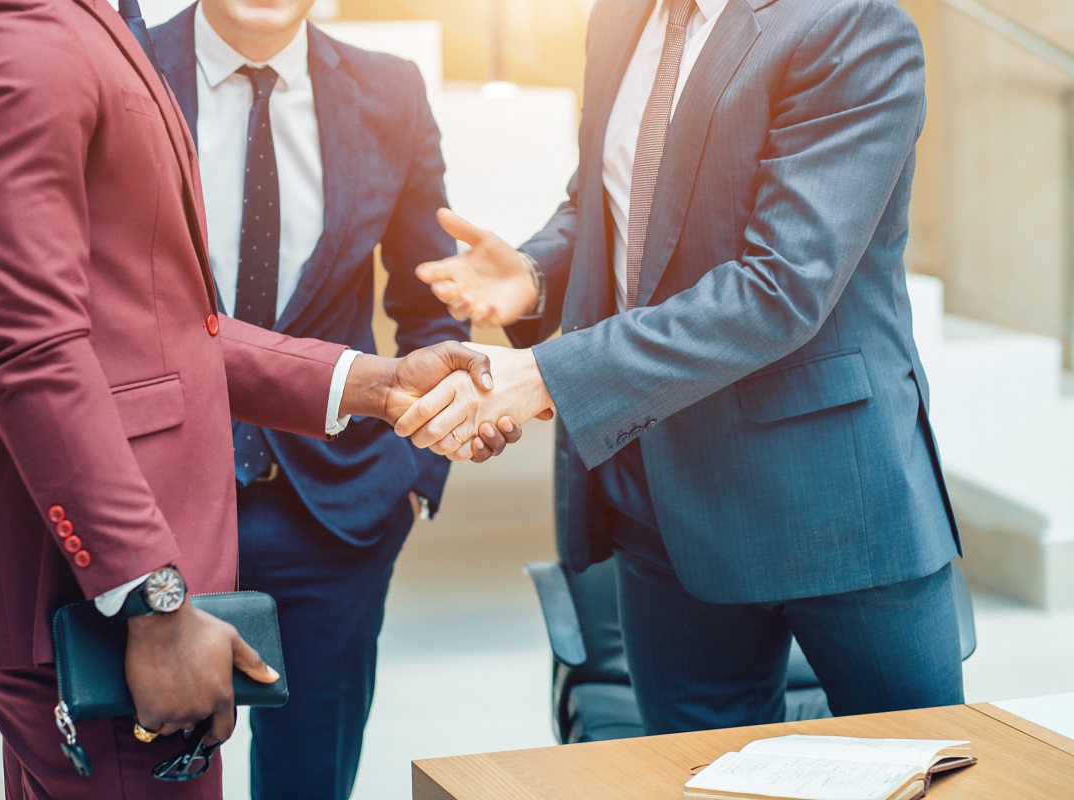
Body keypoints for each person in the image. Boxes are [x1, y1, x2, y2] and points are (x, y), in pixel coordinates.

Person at [0, 0, 512, 795]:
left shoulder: (93, 21)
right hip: (98, 592)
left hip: (279, 526)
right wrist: (151, 597)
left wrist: (380, 386)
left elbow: (166, 332)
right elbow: (33, 353)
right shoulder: (12, 28)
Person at [407, 0, 966, 734]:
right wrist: (537, 273)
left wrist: (545, 373)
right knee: (696, 777)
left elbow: (780, 289)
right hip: (661, 500)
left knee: (923, 766)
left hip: (834, 503)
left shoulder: (851, 25)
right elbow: (612, 200)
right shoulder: (617, 18)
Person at [150, 2, 468, 796]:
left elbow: (431, 300)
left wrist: (415, 474)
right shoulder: (126, 67)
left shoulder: (387, 91)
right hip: (163, 512)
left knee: (313, 781)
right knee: (154, 774)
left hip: (337, 513)